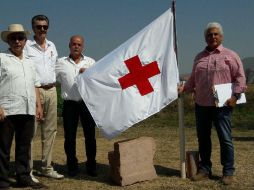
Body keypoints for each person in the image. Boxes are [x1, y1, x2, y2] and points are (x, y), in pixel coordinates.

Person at [178, 22, 246, 185]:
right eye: (209, 34)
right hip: (201, 104)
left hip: (222, 105)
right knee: (203, 138)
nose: (212, 37)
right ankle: (205, 169)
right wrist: (184, 88)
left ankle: (228, 172)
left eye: (215, 34)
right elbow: (193, 79)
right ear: (205, 38)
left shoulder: (230, 55)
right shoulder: (199, 58)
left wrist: (235, 97)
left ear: (221, 37)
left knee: (225, 138)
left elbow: (240, 78)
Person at [0, 24, 47, 189]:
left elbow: (34, 85)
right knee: (3, 147)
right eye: (13, 38)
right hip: (7, 110)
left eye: (20, 38)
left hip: (27, 109)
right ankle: (2, 180)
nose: (17, 41)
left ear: (25, 41)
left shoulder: (29, 62)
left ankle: (23, 177)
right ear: (8, 40)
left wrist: (38, 106)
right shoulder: (2, 58)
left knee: (24, 146)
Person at [23, 15, 64, 181]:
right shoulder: (26, 46)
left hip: (52, 90)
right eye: (39, 27)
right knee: (30, 131)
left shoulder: (52, 45)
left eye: (45, 27)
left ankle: (47, 167)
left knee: (50, 131)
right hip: (35, 90)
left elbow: (55, 68)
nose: (42, 30)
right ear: (33, 28)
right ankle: (28, 170)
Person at [56, 35, 97, 177]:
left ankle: (91, 166)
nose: (76, 46)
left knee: (90, 136)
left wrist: (89, 73)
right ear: (69, 45)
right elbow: (50, 79)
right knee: (69, 137)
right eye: (73, 44)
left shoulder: (91, 62)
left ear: (83, 47)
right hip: (69, 104)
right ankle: (72, 166)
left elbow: (97, 81)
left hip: (87, 104)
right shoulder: (60, 63)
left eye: (79, 44)